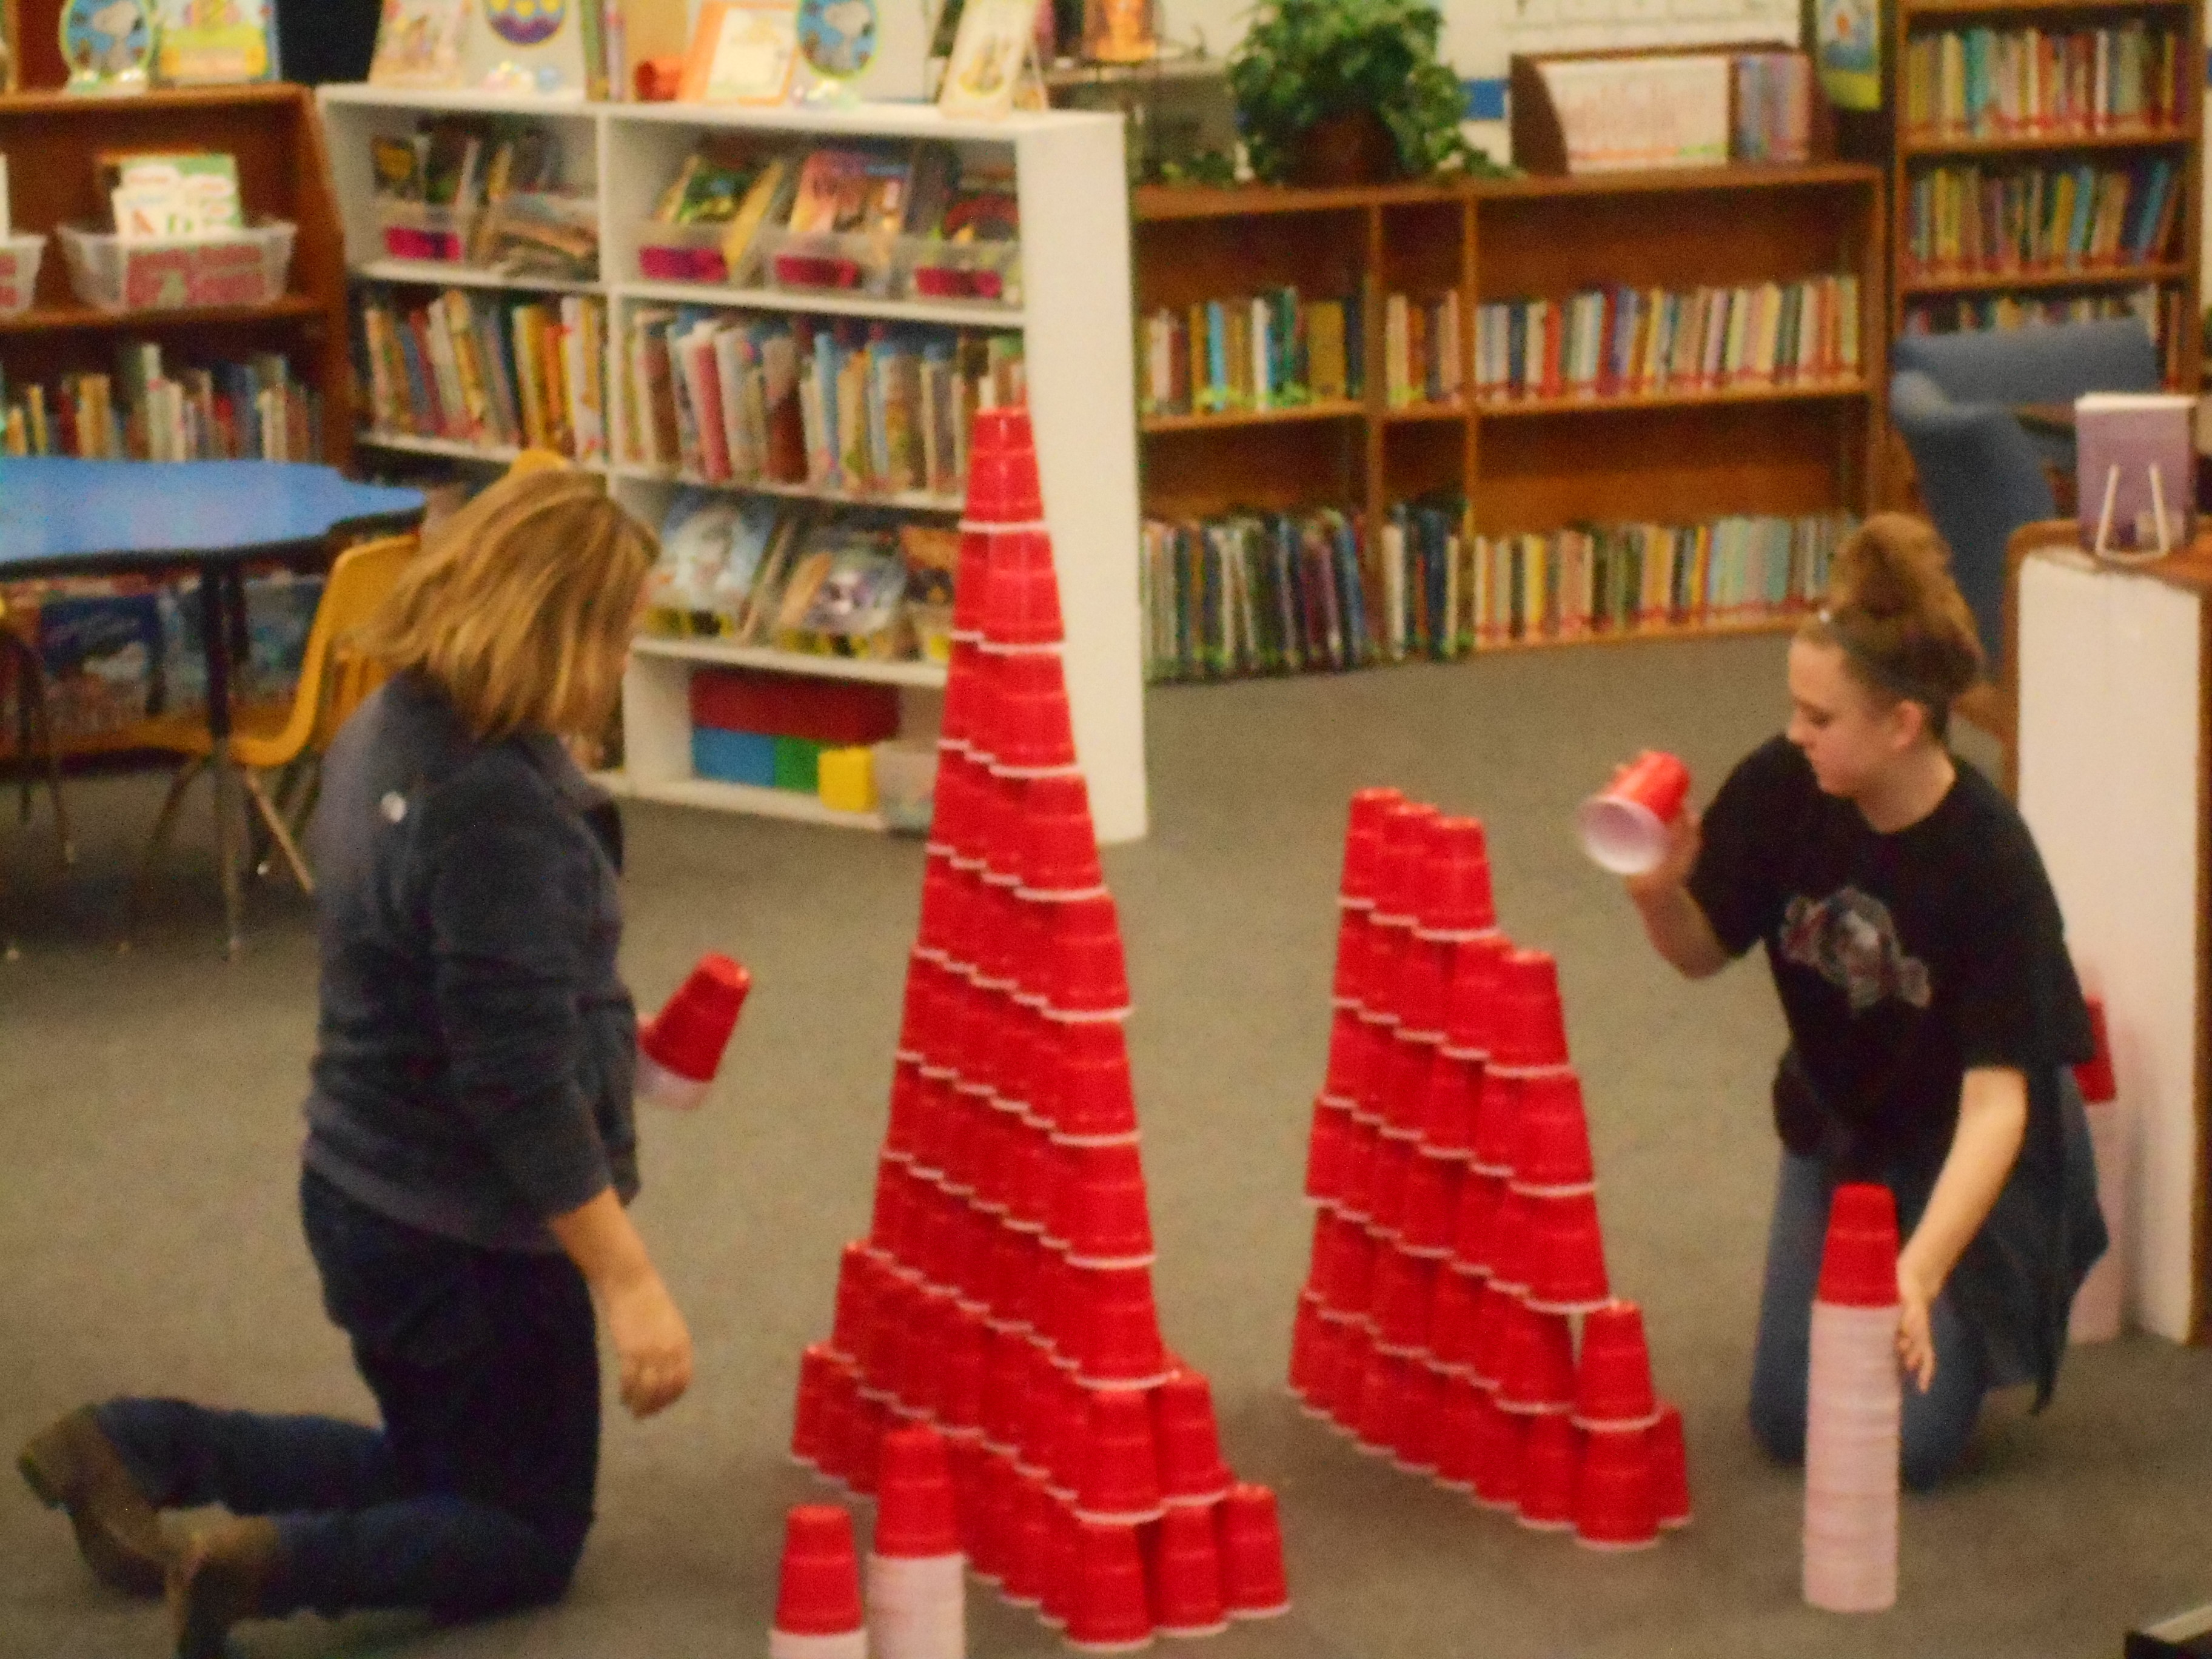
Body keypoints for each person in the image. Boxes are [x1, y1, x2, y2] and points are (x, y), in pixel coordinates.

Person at [16, 465, 692, 1657]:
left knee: (435, 1466)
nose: (622, 665)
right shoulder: (501, 810)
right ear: (558, 635)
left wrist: (599, 1035)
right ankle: (272, 1567)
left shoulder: (390, 724)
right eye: (618, 638)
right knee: (526, 1528)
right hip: (462, 1235)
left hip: (362, 1184)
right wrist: (628, 1281)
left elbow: (450, 985)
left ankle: (136, 1445)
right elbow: (514, 1086)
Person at [1620, 512, 2105, 1492]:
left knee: (1900, 1448)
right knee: (1788, 1420)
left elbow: (1997, 1109)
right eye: (1795, 709)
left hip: (1965, 1149)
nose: (1795, 733)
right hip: (1844, 1121)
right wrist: (1659, 894)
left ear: (1903, 725)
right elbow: (1702, 954)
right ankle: (1901, 1284)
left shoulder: (1990, 859)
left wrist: (1918, 1272)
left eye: (1821, 717)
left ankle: (1976, 1310)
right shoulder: (1782, 785)